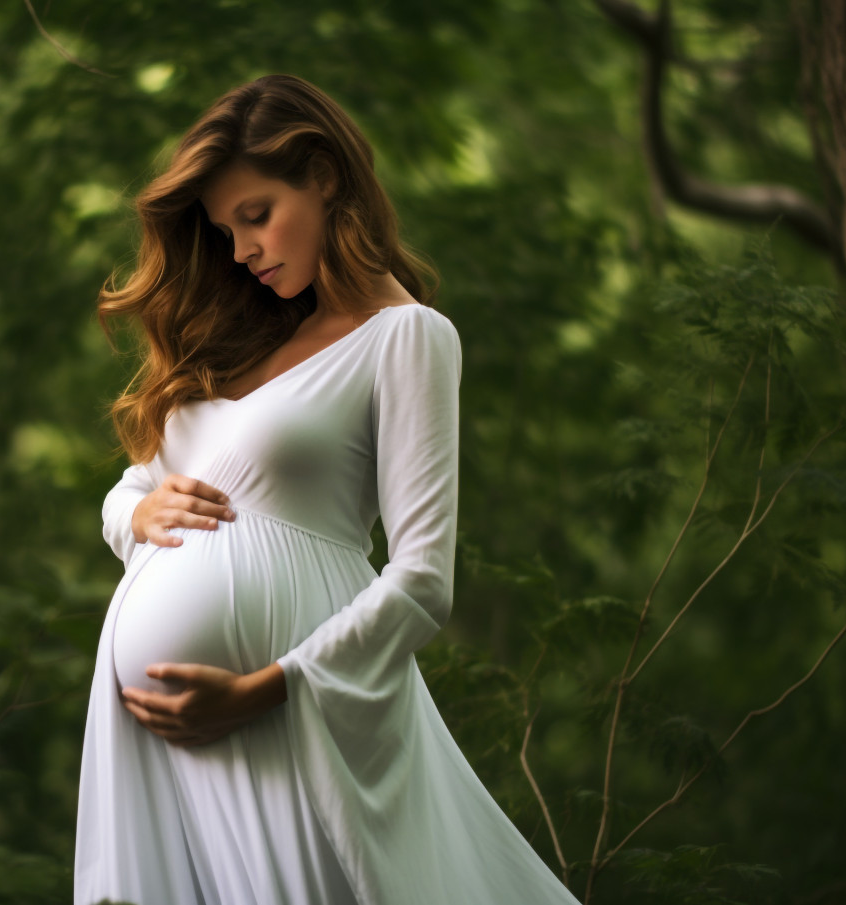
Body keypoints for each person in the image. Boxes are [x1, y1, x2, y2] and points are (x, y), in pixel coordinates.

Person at [74, 74, 580, 905]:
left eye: (256, 215)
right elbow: (133, 490)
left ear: (325, 175)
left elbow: (423, 582)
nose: (241, 250)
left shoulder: (407, 336)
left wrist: (263, 689)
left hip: (292, 714)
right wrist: (135, 509)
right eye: (224, 229)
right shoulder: (237, 341)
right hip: (168, 745)